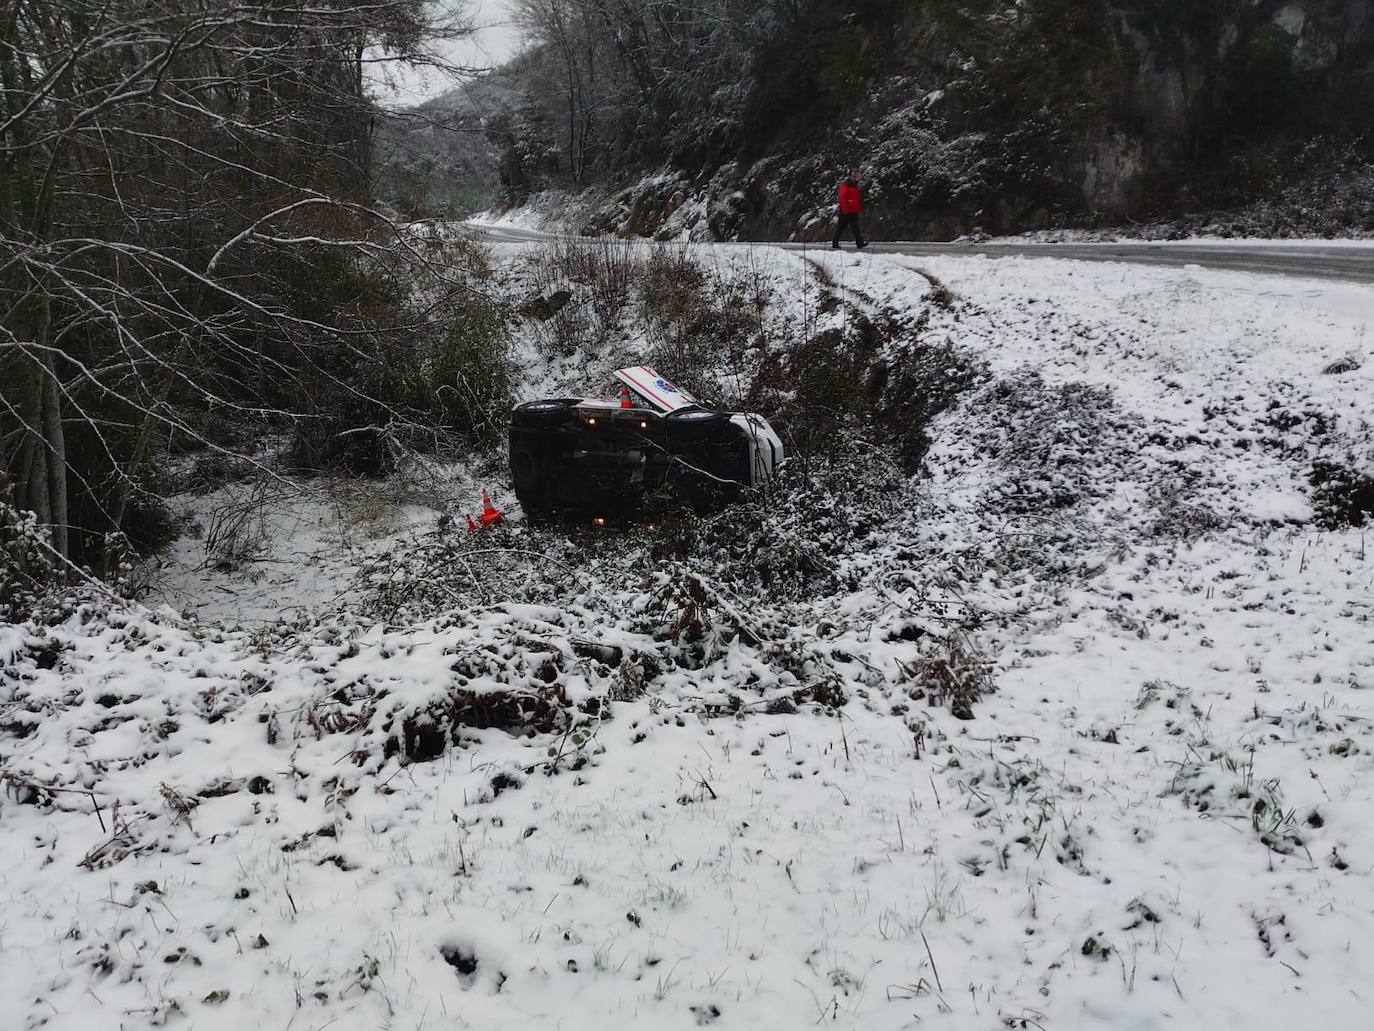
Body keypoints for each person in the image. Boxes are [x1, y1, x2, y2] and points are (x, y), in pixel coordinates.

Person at [832, 170, 868, 250]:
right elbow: (842, 197)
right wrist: (845, 209)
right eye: (853, 175)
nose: (855, 177)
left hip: (853, 210)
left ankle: (859, 243)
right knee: (841, 227)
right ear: (850, 176)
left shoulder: (855, 185)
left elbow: (857, 198)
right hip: (846, 211)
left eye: (856, 175)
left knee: (856, 228)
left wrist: (858, 209)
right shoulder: (845, 185)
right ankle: (835, 243)